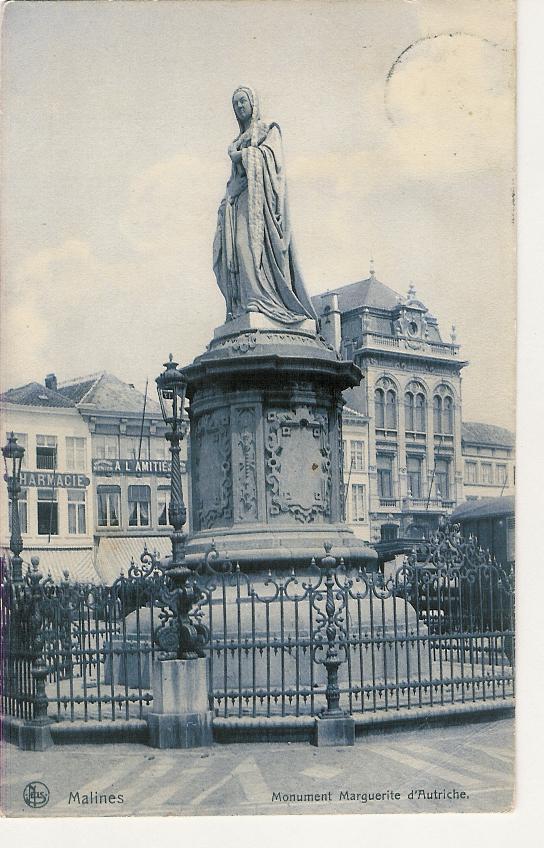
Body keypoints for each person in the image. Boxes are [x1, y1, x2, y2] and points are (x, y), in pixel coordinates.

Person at [213, 86, 317, 325]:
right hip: (241, 202)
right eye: (235, 104)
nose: (239, 107)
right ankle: (248, 301)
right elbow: (235, 180)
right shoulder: (235, 142)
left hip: (262, 207)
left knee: (249, 246)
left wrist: (240, 155)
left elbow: (272, 161)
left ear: (253, 103)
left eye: (243, 101)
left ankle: (261, 300)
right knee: (239, 247)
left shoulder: (268, 129)